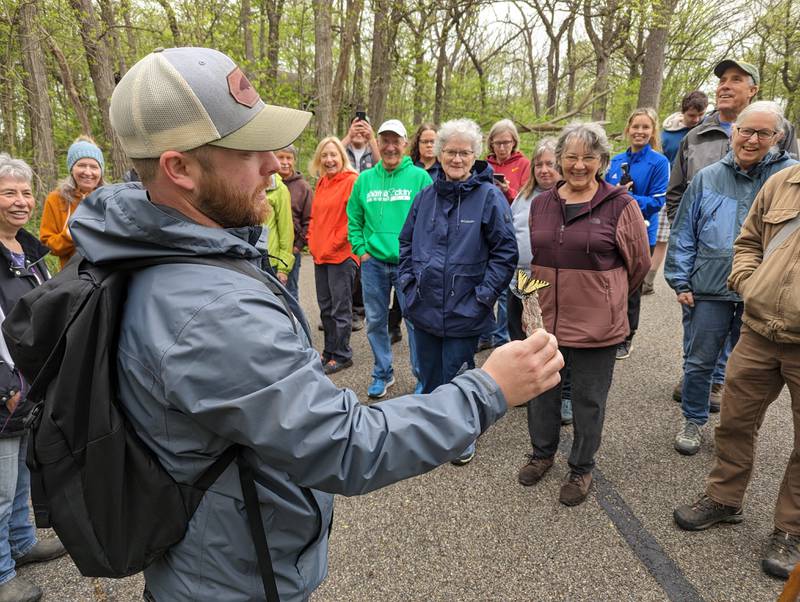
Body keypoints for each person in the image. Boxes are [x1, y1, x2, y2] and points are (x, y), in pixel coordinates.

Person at [69, 47, 563, 602]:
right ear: (178, 168)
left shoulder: (156, 249)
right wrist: (487, 389)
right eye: (247, 149)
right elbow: (345, 444)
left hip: (218, 552)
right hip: (235, 577)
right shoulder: (210, 311)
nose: (274, 164)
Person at [672, 159, 800, 580]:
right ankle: (724, 498)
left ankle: (790, 530)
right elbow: (748, 240)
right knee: (733, 421)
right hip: (759, 328)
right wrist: (748, 281)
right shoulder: (784, 182)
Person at [516, 122, 650, 507]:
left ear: (602, 161)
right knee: (542, 392)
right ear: (558, 160)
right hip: (545, 318)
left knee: (590, 400)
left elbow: (638, 265)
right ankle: (542, 454)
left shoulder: (621, 205)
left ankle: (581, 467)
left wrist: (605, 295)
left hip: (597, 324)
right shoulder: (541, 203)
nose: (578, 165)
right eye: (571, 157)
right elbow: (537, 256)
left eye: (588, 157)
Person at [664, 101, 797, 456]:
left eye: (763, 133)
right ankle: (693, 418)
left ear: (779, 137)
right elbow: (684, 231)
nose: (752, 139)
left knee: (749, 371)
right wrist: (680, 279)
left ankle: (735, 430)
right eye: (746, 131)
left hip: (764, 294)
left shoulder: (789, 178)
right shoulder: (708, 177)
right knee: (699, 359)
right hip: (709, 286)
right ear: (733, 133)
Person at [399, 118, 517, 466]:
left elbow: (505, 252)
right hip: (424, 307)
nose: (457, 158)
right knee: (430, 375)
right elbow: (406, 243)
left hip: (467, 309)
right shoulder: (425, 197)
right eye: (450, 151)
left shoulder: (489, 198)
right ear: (439, 153)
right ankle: (433, 432)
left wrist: (483, 296)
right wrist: (407, 286)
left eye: (464, 152)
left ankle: (461, 435)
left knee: (461, 377)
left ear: (475, 155)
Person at [0, 154, 66, 602]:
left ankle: (22, 542)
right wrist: (5, 387)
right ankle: (3, 574)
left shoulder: (31, 251)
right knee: (1, 486)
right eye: (8, 192)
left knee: (21, 472)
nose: (20, 201)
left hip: (32, 382)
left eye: (25, 192)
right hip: (6, 388)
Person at [347, 119, 432, 398]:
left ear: (405, 144)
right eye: (385, 140)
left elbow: (430, 220)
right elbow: (353, 218)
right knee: (375, 321)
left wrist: (420, 255)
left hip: (409, 263)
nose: (391, 146)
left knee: (415, 321)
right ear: (378, 144)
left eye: (396, 141)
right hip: (374, 263)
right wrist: (361, 250)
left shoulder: (420, 178)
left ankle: (423, 376)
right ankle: (383, 373)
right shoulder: (365, 179)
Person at [507, 137, 573, 425]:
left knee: (556, 337)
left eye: (550, 164)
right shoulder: (523, 196)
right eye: (539, 164)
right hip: (521, 277)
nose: (544, 170)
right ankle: (525, 385)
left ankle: (566, 393)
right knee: (520, 332)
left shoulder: (570, 197)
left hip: (552, 279)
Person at [606, 108, 670, 359]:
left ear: (652, 131)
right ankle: (610, 331)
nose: (640, 132)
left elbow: (656, 202)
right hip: (611, 231)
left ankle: (626, 336)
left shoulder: (658, 162)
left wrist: (625, 196)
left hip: (641, 233)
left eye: (645, 127)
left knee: (632, 288)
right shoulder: (615, 159)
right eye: (636, 126)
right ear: (628, 129)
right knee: (610, 283)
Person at [307, 137, 359, 375]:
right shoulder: (321, 183)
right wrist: (312, 241)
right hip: (321, 255)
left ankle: (342, 354)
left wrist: (332, 245)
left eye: (333, 155)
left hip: (342, 256)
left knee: (340, 309)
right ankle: (329, 351)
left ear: (342, 157)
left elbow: (353, 221)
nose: (329, 160)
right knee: (325, 308)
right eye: (324, 155)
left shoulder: (351, 181)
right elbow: (316, 218)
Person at [649, 91, 709, 295]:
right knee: (661, 236)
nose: (696, 120)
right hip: (670, 190)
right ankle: (648, 280)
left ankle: (695, 280)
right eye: (692, 115)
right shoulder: (668, 134)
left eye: (700, 115)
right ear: (683, 112)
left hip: (698, 191)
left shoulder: (708, 131)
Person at [479, 119, 530, 351]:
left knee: (505, 288)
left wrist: (507, 190)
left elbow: (528, 197)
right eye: (498, 143)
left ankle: (502, 337)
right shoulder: (484, 164)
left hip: (510, 229)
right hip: (485, 229)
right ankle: (485, 334)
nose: (502, 147)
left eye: (506, 142)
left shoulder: (524, 164)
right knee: (485, 283)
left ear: (514, 142)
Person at [40, 136, 105, 269]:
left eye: (94, 166)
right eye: (81, 165)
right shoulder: (56, 199)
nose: (88, 172)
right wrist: (70, 234)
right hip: (72, 277)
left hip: (108, 274)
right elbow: (47, 245)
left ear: (101, 171)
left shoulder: (109, 198)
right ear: (71, 169)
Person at [275, 145, 312, 300]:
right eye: (281, 157)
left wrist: (298, 246)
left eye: (288, 158)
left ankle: (294, 322)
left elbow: (309, 220)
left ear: (294, 161)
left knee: (290, 290)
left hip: (291, 249)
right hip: (269, 248)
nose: (285, 162)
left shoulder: (303, 187)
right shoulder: (269, 182)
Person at [264, 173, 295, 284]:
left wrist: (283, 268)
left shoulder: (279, 188)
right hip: (246, 260)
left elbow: (286, 230)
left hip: (271, 262)